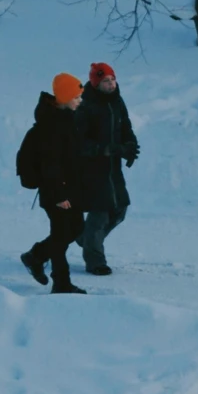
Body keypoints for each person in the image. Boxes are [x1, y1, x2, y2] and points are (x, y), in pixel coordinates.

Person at [17, 73, 95, 295]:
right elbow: (50, 165)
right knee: (61, 236)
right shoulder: (51, 126)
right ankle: (61, 284)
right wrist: (59, 196)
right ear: (64, 97)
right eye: (76, 97)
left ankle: (36, 256)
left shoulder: (67, 119)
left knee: (76, 229)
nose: (80, 101)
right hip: (57, 193)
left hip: (71, 189)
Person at [79, 61, 140, 277]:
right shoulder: (86, 105)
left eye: (113, 79)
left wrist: (131, 147)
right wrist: (106, 149)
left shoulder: (117, 101)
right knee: (100, 213)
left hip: (113, 166)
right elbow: (79, 142)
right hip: (94, 167)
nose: (111, 84)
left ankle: (86, 239)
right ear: (96, 83)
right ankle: (95, 261)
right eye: (106, 81)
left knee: (119, 209)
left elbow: (126, 127)